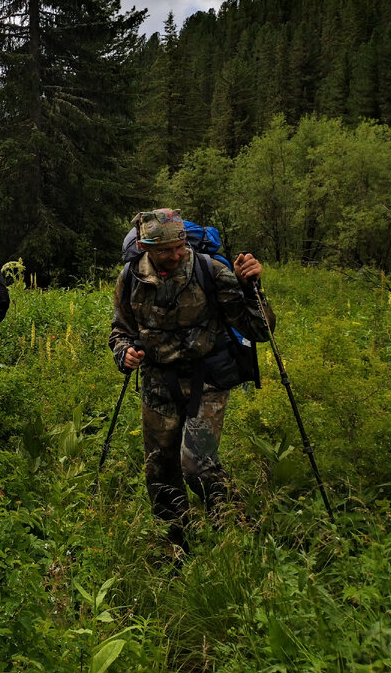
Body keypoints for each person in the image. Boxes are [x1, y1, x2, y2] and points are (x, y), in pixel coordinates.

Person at [108, 209, 274, 549]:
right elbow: (120, 330)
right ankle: (174, 544)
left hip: (208, 378)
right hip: (157, 382)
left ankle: (234, 527)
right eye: (167, 249)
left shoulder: (210, 271)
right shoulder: (130, 278)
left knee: (195, 464)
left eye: (181, 245)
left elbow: (259, 330)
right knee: (159, 469)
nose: (178, 254)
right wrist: (123, 352)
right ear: (145, 246)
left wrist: (250, 288)